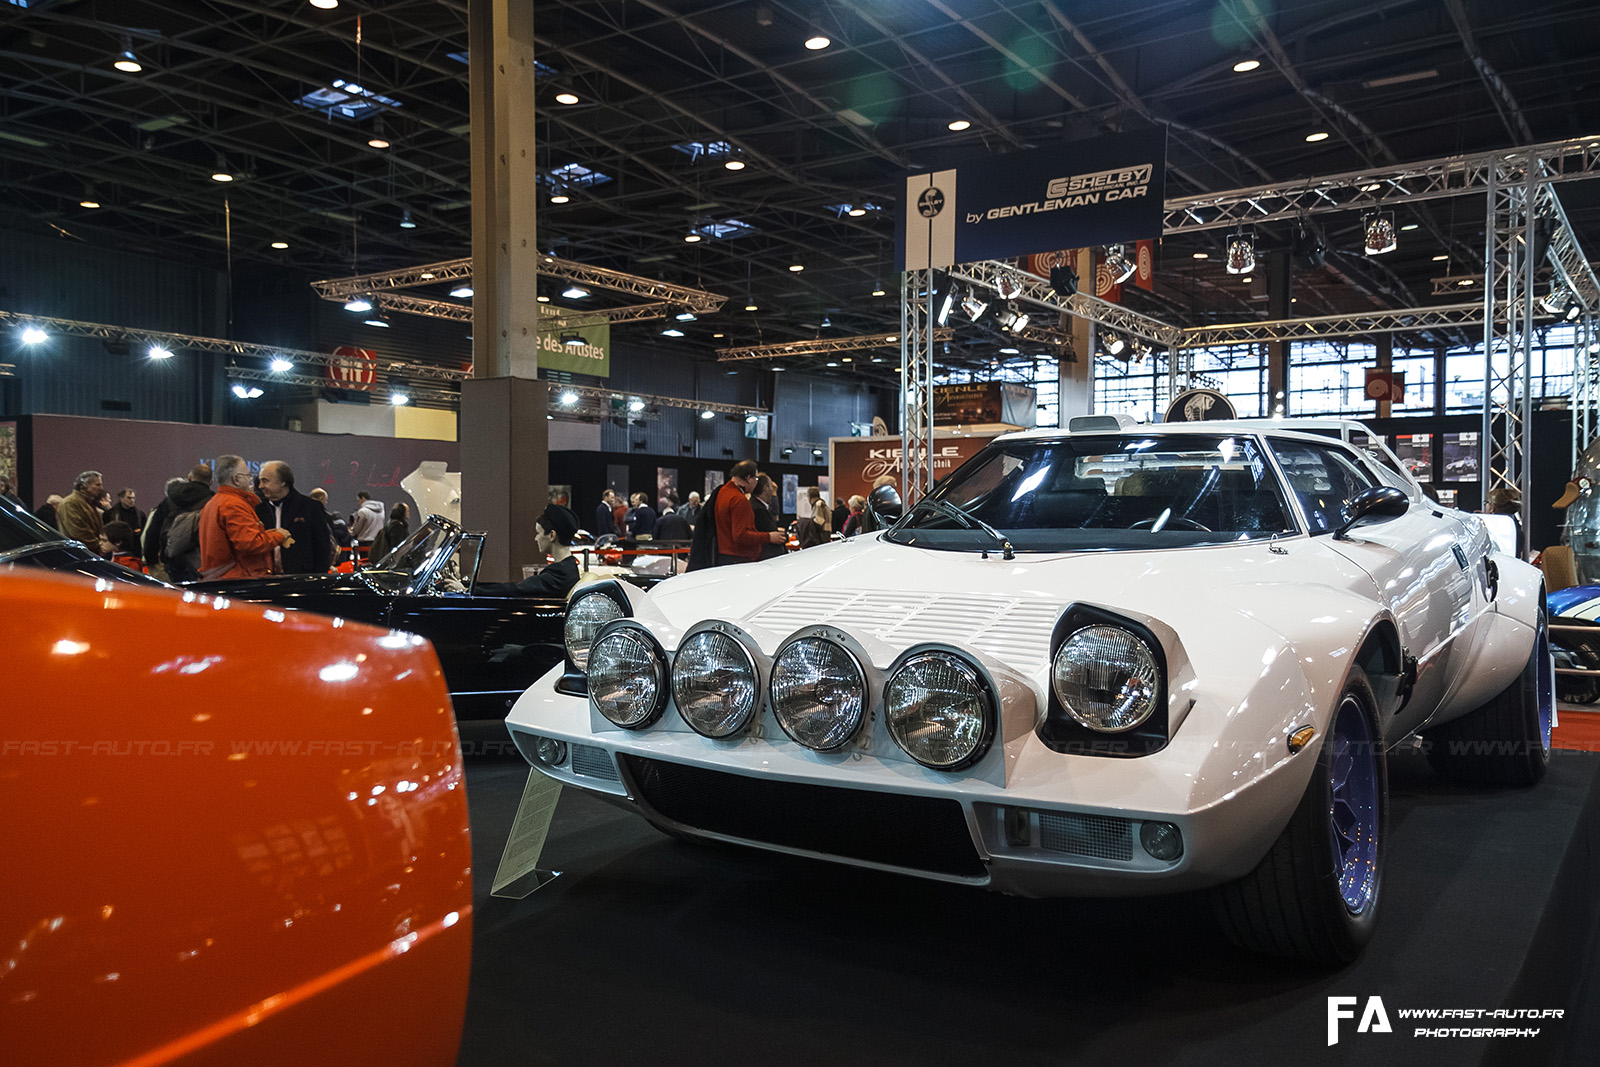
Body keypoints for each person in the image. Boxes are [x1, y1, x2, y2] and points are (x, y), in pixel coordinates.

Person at [198, 454, 290, 580]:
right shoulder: (234, 505)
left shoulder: (213, 503)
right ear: (236, 479)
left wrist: (270, 533)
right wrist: (279, 536)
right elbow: (250, 543)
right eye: (248, 476)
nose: (252, 481)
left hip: (221, 578)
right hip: (239, 579)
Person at [686, 460, 786, 570]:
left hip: (723, 557)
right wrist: (769, 537)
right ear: (748, 478)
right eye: (756, 479)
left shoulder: (722, 492)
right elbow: (741, 535)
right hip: (738, 560)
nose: (756, 482)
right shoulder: (739, 500)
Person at [471, 505, 582, 599]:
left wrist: (470, 589)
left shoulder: (560, 573)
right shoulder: (568, 568)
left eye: (538, 533)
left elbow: (516, 589)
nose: (536, 538)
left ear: (552, 535)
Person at [255, 461, 333, 574]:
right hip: (266, 580)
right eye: (260, 481)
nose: (260, 486)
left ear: (283, 482)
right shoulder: (259, 510)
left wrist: (318, 581)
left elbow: (323, 548)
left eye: (265, 481)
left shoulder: (310, 507)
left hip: (303, 581)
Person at [56, 470, 105, 545]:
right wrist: (99, 546)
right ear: (85, 485)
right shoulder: (70, 503)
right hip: (80, 553)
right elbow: (78, 533)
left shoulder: (88, 503)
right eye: (97, 485)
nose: (101, 488)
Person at [749, 473, 785, 560]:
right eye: (770, 487)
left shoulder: (756, 505)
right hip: (767, 557)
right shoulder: (759, 509)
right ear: (765, 488)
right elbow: (771, 533)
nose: (772, 491)